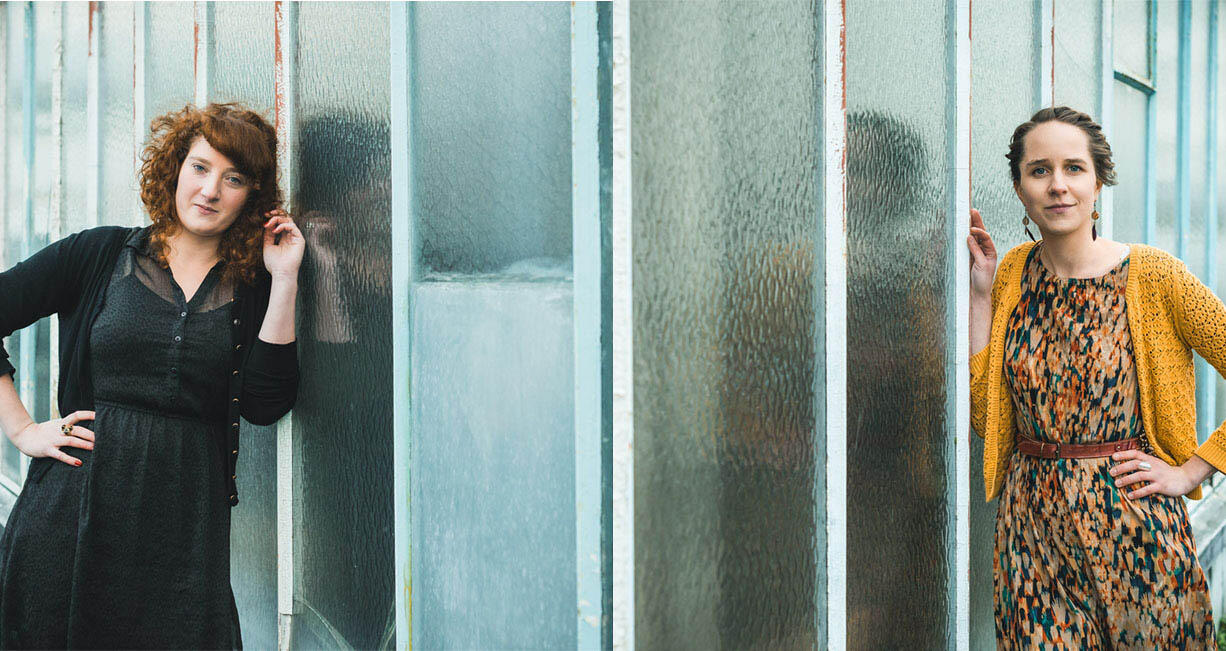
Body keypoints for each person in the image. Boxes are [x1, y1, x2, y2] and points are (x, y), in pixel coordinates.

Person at [0, 102, 303, 648]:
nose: (210, 190)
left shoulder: (253, 286)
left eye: (232, 179)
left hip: (184, 535)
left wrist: (284, 280)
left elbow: (264, 405)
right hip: (72, 511)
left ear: (252, 197)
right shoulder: (99, 254)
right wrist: (21, 429)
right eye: (200, 167)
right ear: (174, 169)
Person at [968, 105, 1221, 647]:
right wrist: (982, 297)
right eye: (1039, 170)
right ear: (1019, 189)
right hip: (1031, 532)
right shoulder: (1013, 272)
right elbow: (988, 418)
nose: (1058, 186)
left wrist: (1192, 471)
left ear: (1099, 181)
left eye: (1074, 168)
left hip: (1134, 523)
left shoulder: (1154, 276)